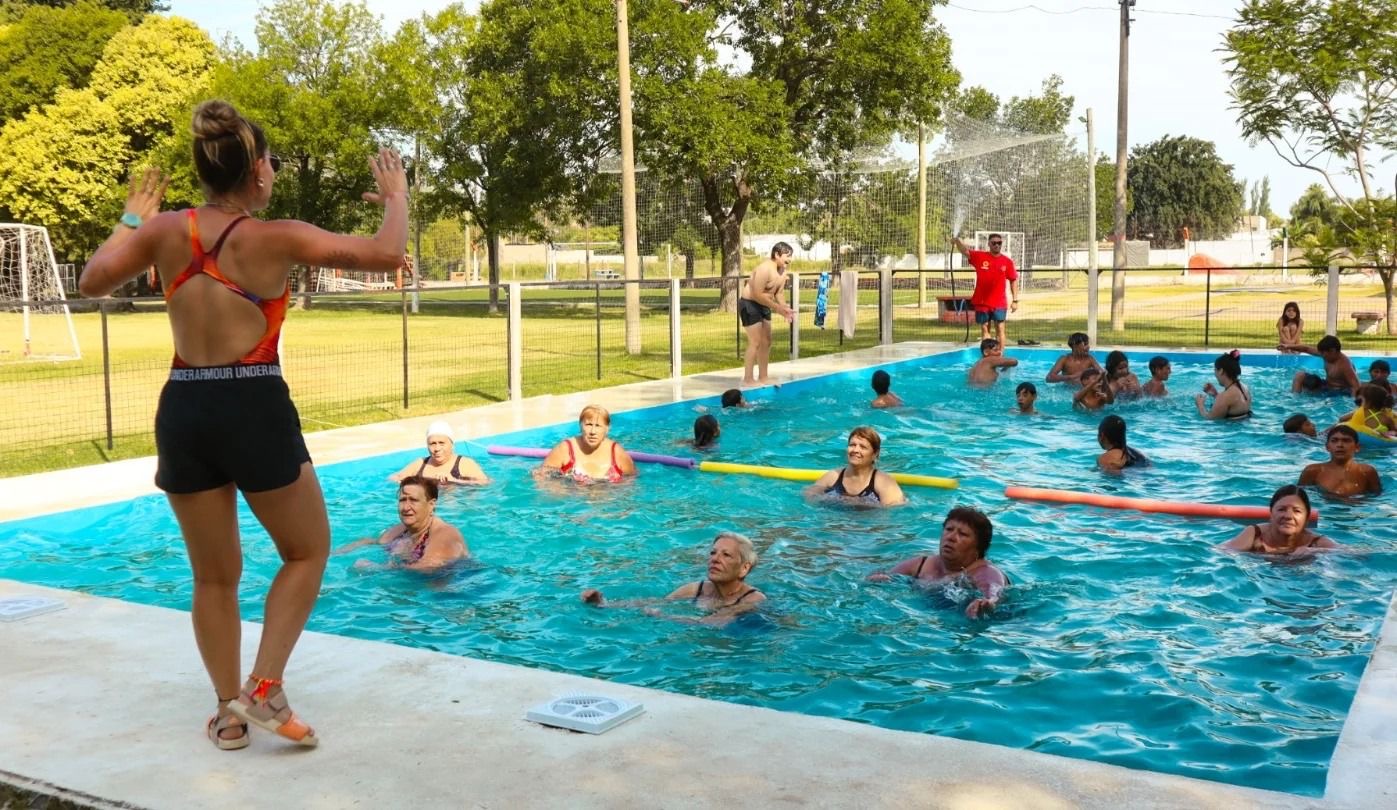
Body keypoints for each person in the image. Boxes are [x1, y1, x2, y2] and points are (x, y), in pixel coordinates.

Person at [78, 100, 410, 750]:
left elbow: (93, 281)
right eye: (271, 164)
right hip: (252, 402)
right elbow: (386, 253)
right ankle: (263, 688)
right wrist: (395, 196)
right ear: (257, 171)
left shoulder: (165, 231)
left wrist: (131, 219)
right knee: (308, 550)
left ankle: (229, 715)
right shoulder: (274, 236)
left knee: (213, 576)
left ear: (205, 170)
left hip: (184, 408)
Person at [581, 532, 766, 622]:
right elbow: (655, 602)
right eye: (712, 553)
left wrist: (666, 617)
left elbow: (714, 623)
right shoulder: (696, 589)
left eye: (726, 555)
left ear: (744, 569)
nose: (715, 559)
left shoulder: (753, 599)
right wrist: (603, 604)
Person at [868, 506, 1008, 619]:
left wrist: (987, 604)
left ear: (978, 546)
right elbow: (885, 576)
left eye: (963, 534)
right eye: (949, 529)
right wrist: (880, 580)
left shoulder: (986, 572)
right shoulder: (921, 564)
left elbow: (993, 594)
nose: (951, 537)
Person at [333, 476, 469, 571]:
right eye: (402, 500)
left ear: (431, 504)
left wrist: (378, 569)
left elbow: (429, 568)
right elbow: (374, 542)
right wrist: (334, 555)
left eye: (413, 500)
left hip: (457, 592)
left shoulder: (445, 533)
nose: (406, 507)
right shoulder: (401, 530)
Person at [1220, 485, 1337, 555]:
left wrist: (1315, 552)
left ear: (1307, 518)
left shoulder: (1316, 543)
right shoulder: (1255, 534)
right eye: (1281, 509)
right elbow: (1222, 552)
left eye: (1297, 511)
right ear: (1271, 514)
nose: (1288, 516)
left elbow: (1352, 554)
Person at [739, 242, 795, 385]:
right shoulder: (764, 269)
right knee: (755, 342)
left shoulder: (783, 271)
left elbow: (779, 293)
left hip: (764, 305)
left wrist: (784, 308)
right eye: (787, 256)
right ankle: (748, 379)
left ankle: (763, 377)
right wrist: (777, 309)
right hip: (750, 304)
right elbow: (757, 294)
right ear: (777, 254)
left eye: (791, 256)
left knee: (766, 341)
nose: (790, 259)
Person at [805, 426, 906, 506]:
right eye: (852, 445)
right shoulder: (833, 476)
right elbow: (809, 496)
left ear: (875, 454)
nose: (855, 450)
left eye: (863, 447)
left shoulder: (884, 483)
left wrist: (857, 504)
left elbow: (892, 515)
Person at [540, 405, 637, 484]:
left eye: (598, 426)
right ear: (580, 425)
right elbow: (540, 476)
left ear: (607, 429)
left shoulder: (617, 453)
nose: (593, 431)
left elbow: (631, 483)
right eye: (589, 425)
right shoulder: (565, 449)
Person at [952, 233, 1019, 345]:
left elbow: (1013, 280)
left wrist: (1015, 300)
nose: (997, 245)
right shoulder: (980, 257)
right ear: (989, 244)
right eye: (994, 243)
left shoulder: (1007, 262)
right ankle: (987, 355)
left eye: (999, 243)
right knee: (985, 329)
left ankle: (1000, 354)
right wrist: (957, 241)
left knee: (1000, 329)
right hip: (982, 301)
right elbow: (965, 251)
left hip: (999, 302)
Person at [389, 420, 489, 485]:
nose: (437, 448)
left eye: (441, 443)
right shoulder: (421, 464)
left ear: (452, 444)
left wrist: (454, 480)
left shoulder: (464, 463)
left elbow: (486, 483)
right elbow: (394, 477)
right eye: (432, 443)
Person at [1299, 425, 1381, 496]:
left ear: (1357, 447)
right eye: (1334, 441)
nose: (1340, 445)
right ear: (1327, 447)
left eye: (1346, 441)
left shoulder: (1367, 472)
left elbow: (1376, 499)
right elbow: (1300, 498)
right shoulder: (1312, 471)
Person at [1289, 335, 1360, 396]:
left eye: (1323, 353)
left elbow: (1356, 387)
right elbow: (1306, 349)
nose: (1321, 355)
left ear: (1332, 351)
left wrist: (1354, 405)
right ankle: (1295, 399)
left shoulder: (1346, 366)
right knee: (1300, 375)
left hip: (1338, 393)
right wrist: (1288, 346)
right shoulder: (1327, 354)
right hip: (1326, 386)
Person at [1196, 350, 1252, 420]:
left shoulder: (1225, 397)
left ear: (1221, 371)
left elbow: (1209, 418)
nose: (1215, 374)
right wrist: (1215, 395)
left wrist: (1200, 405)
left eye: (1215, 370)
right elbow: (1232, 404)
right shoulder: (1244, 387)